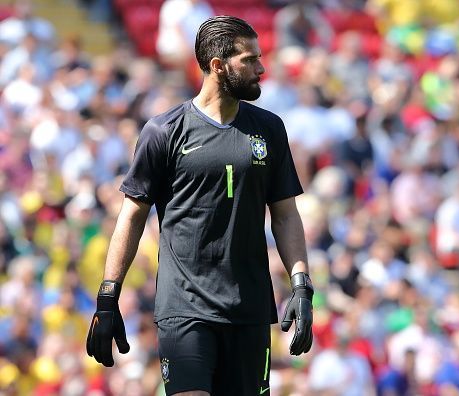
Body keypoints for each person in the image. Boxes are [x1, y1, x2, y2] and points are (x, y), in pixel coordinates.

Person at [85, 16, 314, 396]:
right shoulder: (164, 131)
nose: (261, 68)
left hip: (250, 308)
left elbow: (286, 215)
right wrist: (108, 297)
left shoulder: (269, 129)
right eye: (249, 59)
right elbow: (131, 215)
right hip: (184, 307)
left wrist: (302, 286)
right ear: (218, 66)